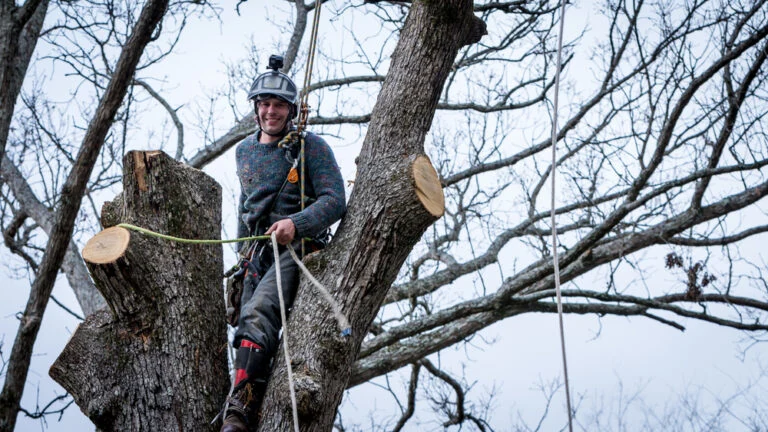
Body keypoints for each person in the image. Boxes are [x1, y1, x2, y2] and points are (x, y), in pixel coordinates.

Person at [220, 55, 346, 432]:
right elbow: (246, 208)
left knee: (260, 311)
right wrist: (242, 256)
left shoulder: (310, 147)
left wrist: (297, 223)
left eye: (278, 105)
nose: (270, 111)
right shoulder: (244, 151)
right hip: (257, 252)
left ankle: (237, 409)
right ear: (256, 108)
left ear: (291, 110)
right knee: (244, 324)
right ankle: (249, 399)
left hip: (298, 250)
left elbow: (335, 200)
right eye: (264, 104)